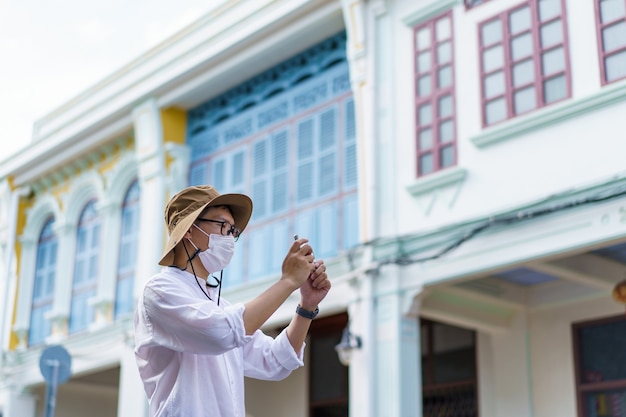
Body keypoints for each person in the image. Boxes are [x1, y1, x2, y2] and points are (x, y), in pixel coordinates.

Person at [134, 185, 331, 417]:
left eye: (232, 231)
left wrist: (307, 306)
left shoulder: (219, 307)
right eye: (222, 226)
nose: (229, 237)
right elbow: (221, 332)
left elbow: (275, 360)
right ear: (188, 229)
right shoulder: (159, 292)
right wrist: (287, 281)